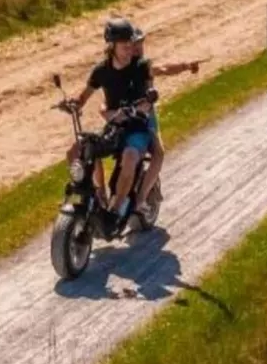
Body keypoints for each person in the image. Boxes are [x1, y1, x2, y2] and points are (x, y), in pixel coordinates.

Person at [63, 18, 175, 234]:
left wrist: (142, 106)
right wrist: (73, 104)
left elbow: (149, 97)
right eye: (125, 46)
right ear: (111, 46)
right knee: (78, 150)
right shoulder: (101, 71)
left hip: (137, 128)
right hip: (114, 128)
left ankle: (115, 210)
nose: (130, 49)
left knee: (131, 157)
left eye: (131, 45)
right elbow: (83, 97)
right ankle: (98, 197)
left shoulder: (141, 66)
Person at [128, 30, 198, 209]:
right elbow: (164, 69)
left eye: (140, 44)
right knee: (158, 153)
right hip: (142, 118)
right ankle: (141, 198)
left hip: (128, 116)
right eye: (135, 45)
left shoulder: (125, 66)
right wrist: (187, 66)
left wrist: (185, 66)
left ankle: (141, 191)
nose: (138, 48)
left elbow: (165, 69)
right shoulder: (141, 67)